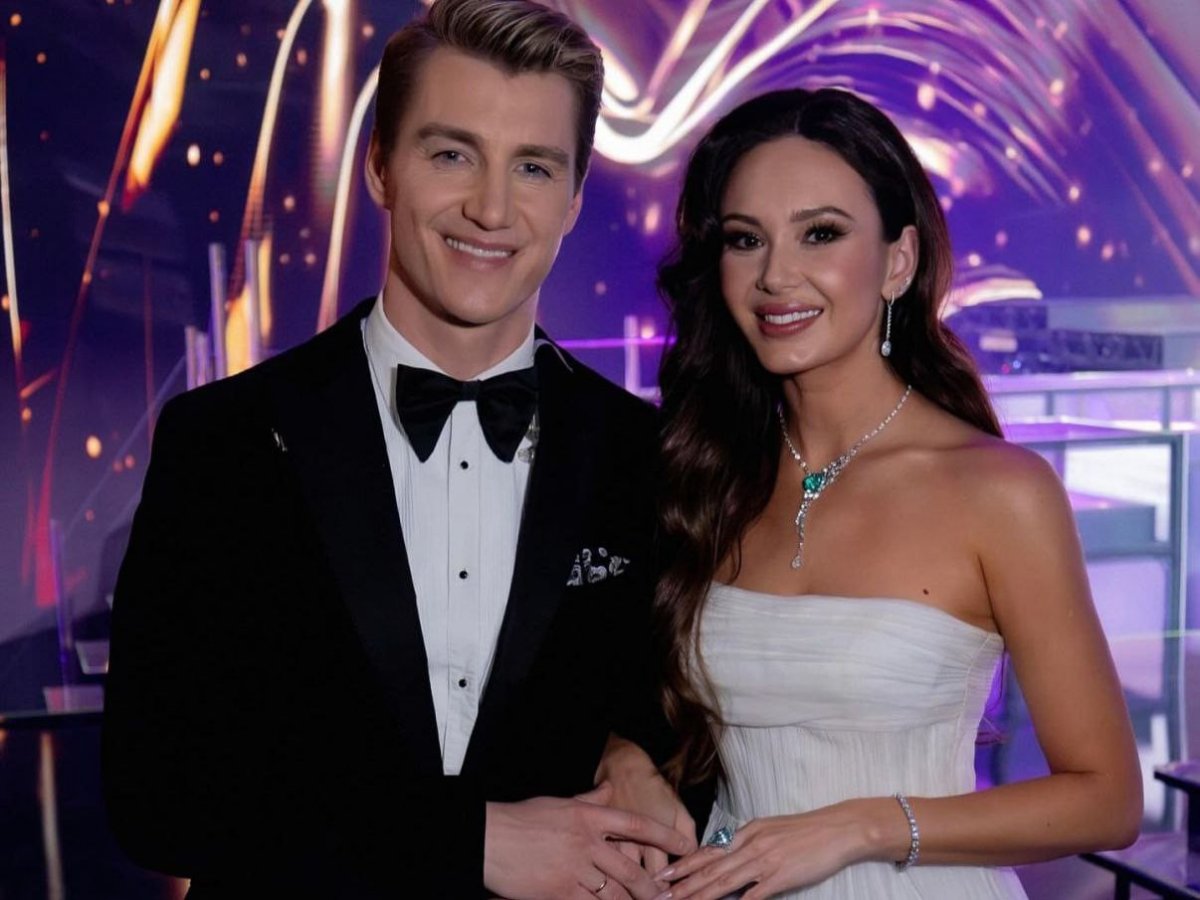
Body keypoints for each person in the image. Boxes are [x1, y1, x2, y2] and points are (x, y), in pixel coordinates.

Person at [101, 1, 696, 897]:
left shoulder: (644, 456)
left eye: (533, 167)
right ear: (379, 165)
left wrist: (636, 753)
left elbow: (686, 727)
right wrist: (467, 841)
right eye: (452, 154)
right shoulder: (222, 441)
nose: (490, 208)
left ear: (575, 197)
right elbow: (155, 794)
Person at [648, 87, 1142, 900]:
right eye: (746, 239)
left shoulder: (999, 491)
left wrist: (862, 827)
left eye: (821, 233)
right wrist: (626, 760)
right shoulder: (700, 474)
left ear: (899, 262)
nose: (776, 275)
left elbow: (1108, 799)